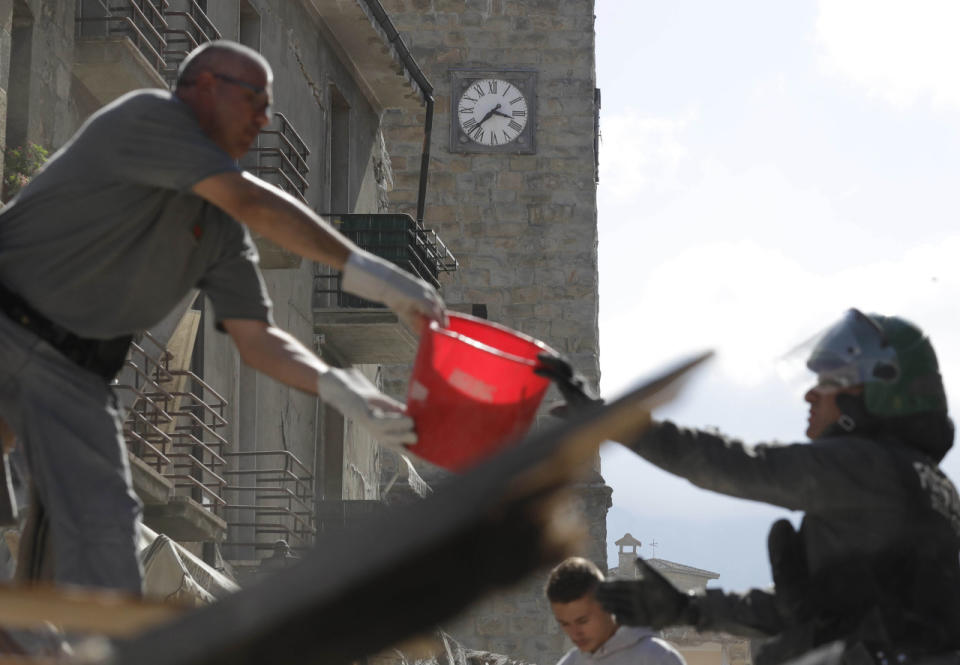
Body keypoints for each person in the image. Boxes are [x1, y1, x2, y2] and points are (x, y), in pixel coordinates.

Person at [0, 40, 446, 593]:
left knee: (104, 550)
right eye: (256, 98)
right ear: (205, 88)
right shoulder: (146, 117)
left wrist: (340, 388)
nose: (264, 118)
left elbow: (258, 340)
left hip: (73, 377)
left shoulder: (219, 233)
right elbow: (253, 201)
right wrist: (371, 272)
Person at [545, 309, 960, 665]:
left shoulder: (867, 467)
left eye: (831, 383)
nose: (811, 396)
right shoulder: (927, 484)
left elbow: (735, 464)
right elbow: (800, 610)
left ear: (871, 395)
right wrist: (689, 609)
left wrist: (612, 421)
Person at [546, 556, 686, 665]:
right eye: (565, 624)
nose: (575, 633)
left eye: (583, 621)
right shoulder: (571, 662)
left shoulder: (657, 658)